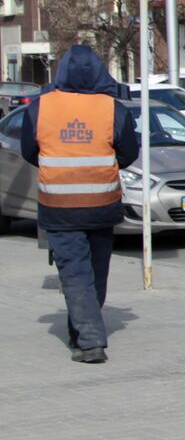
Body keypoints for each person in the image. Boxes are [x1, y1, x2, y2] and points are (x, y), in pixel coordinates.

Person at [21, 45, 140, 364]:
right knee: (96, 272)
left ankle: (89, 341)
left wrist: (57, 164)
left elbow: (28, 151)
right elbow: (129, 153)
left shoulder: (40, 106)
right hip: (102, 204)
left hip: (58, 205)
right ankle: (82, 331)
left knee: (75, 273)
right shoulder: (113, 108)